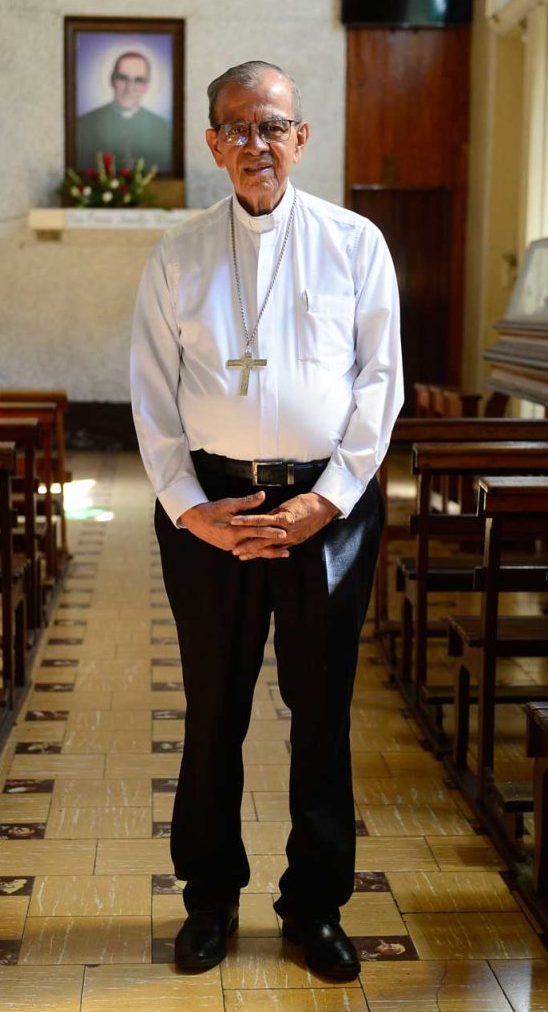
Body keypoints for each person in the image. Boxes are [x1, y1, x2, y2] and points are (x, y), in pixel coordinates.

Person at [130, 60, 403, 979]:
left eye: (273, 127)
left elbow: (379, 384)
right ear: (212, 142)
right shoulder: (176, 257)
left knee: (320, 711)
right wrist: (193, 513)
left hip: (327, 505)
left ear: (301, 138)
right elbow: (151, 401)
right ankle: (209, 900)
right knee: (213, 710)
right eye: (238, 128)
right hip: (212, 508)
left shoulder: (354, 244)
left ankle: (315, 906)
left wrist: (326, 500)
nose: (258, 145)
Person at [76, 51, 172, 173]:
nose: (129, 88)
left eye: (138, 80)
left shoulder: (161, 127)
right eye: (123, 78)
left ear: (147, 86)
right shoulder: (85, 124)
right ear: (112, 80)